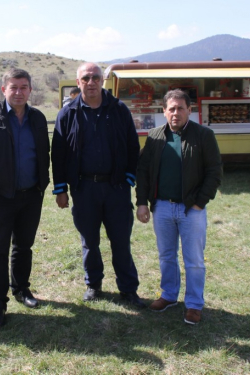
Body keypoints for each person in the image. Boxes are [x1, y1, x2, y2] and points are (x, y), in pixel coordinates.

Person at [51, 62, 145, 308]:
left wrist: (128, 178)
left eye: (95, 77)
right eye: (86, 78)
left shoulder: (119, 110)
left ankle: (128, 289)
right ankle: (93, 284)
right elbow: (58, 155)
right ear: (78, 81)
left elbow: (133, 147)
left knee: (121, 241)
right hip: (84, 189)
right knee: (89, 241)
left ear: (102, 80)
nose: (91, 82)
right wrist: (60, 189)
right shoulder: (68, 113)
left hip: (116, 188)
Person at [0, 68, 50, 327]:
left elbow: (43, 154)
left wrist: (43, 185)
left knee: (24, 246)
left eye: (23, 87)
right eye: (13, 87)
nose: (18, 92)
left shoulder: (37, 118)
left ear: (30, 90)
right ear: (3, 89)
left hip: (30, 195)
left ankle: (21, 289)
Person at [136, 89, 222, 325]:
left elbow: (214, 172)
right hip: (162, 207)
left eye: (180, 108)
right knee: (166, 256)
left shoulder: (203, 135)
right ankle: (169, 295)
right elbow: (143, 172)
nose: (175, 113)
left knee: (193, 259)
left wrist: (199, 202)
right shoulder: (154, 137)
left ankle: (194, 304)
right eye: (171, 109)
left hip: (190, 209)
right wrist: (142, 202)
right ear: (164, 111)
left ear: (189, 110)